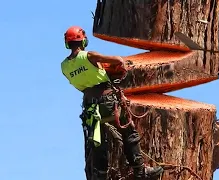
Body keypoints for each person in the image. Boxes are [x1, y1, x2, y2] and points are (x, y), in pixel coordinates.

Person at [60, 26, 164, 180]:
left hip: (90, 106)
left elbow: (80, 84)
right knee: (129, 133)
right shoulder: (90, 56)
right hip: (107, 101)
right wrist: (115, 64)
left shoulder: (64, 66)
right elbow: (117, 60)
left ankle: (100, 177)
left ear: (68, 43)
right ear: (83, 40)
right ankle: (140, 172)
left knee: (98, 143)